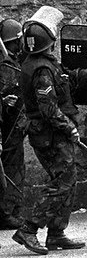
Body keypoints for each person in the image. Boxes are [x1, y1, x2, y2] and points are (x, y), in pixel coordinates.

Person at [14, 6, 87, 254]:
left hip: (53, 133)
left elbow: (67, 80)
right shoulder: (41, 69)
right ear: (50, 41)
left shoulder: (42, 64)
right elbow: (48, 108)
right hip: (50, 134)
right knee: (62, 182)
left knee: (68, 181)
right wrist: (69, 128)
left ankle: (56, 233)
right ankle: (29, 229)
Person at [0, 19, 25, 230]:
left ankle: (13, 209)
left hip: (16, 125)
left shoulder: (14, 61)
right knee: (9, 168)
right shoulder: (3, 66)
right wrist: (3, 101)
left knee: (16, 167)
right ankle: (6, 213)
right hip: (6, 126)